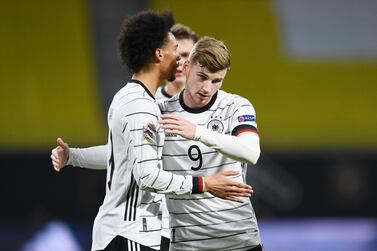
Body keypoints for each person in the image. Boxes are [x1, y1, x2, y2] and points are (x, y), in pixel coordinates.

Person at [51, 10, 252, 251]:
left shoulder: (136, 99)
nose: (180, 58)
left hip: (138, 232)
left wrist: (74, 156)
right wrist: (206, 184)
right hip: (131, 231)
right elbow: (146, 175)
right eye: (176, 49)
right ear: (159, 54)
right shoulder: (142, 107)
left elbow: (121, 155)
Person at [159, 36, 263, 250]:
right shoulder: (161, 112)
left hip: (240, 241)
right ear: (186, 67)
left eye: (216, 81)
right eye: (202, 77)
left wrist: (198, 132)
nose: (207, 88)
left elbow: (252, 153)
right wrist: (75, 156)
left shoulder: (236, 106)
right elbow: (127, 154)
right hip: (187, 244)